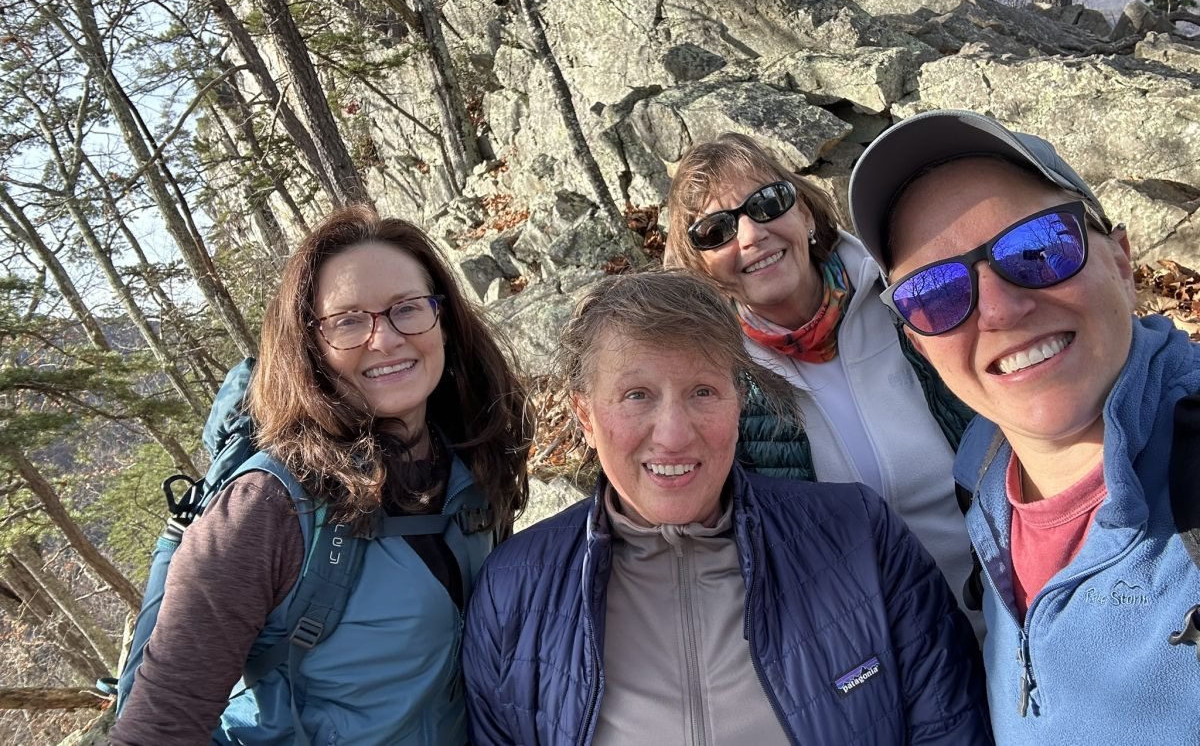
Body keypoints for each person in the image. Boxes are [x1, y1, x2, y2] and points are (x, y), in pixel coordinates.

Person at [462, 270, 991, 745]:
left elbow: (949, 724)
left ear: (739, 402)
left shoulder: (859, 535)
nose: (672, 435)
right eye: (637, 395)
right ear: (585, 414)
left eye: (703, 392)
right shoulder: (515, 591)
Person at [111, 206, 531, 745]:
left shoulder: (473, 464)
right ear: (312, 348)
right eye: (348, 321)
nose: (384, 340)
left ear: (442, 319)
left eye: (407, 308)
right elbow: (157, 730)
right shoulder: (266, 509)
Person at [846, 108, 1200, 743]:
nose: (1001, 310)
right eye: (936, 293)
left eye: (1038, 248)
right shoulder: (982, 471)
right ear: (920, 345)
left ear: (1120, 260)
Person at [665, 132, 978, 624]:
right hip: (870, 656)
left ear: (805, 214)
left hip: (1006, 608)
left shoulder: (907, 299)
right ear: (701, 265)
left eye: (767, 203)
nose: (750, 235)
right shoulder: (716, 378)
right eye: (716, 231)